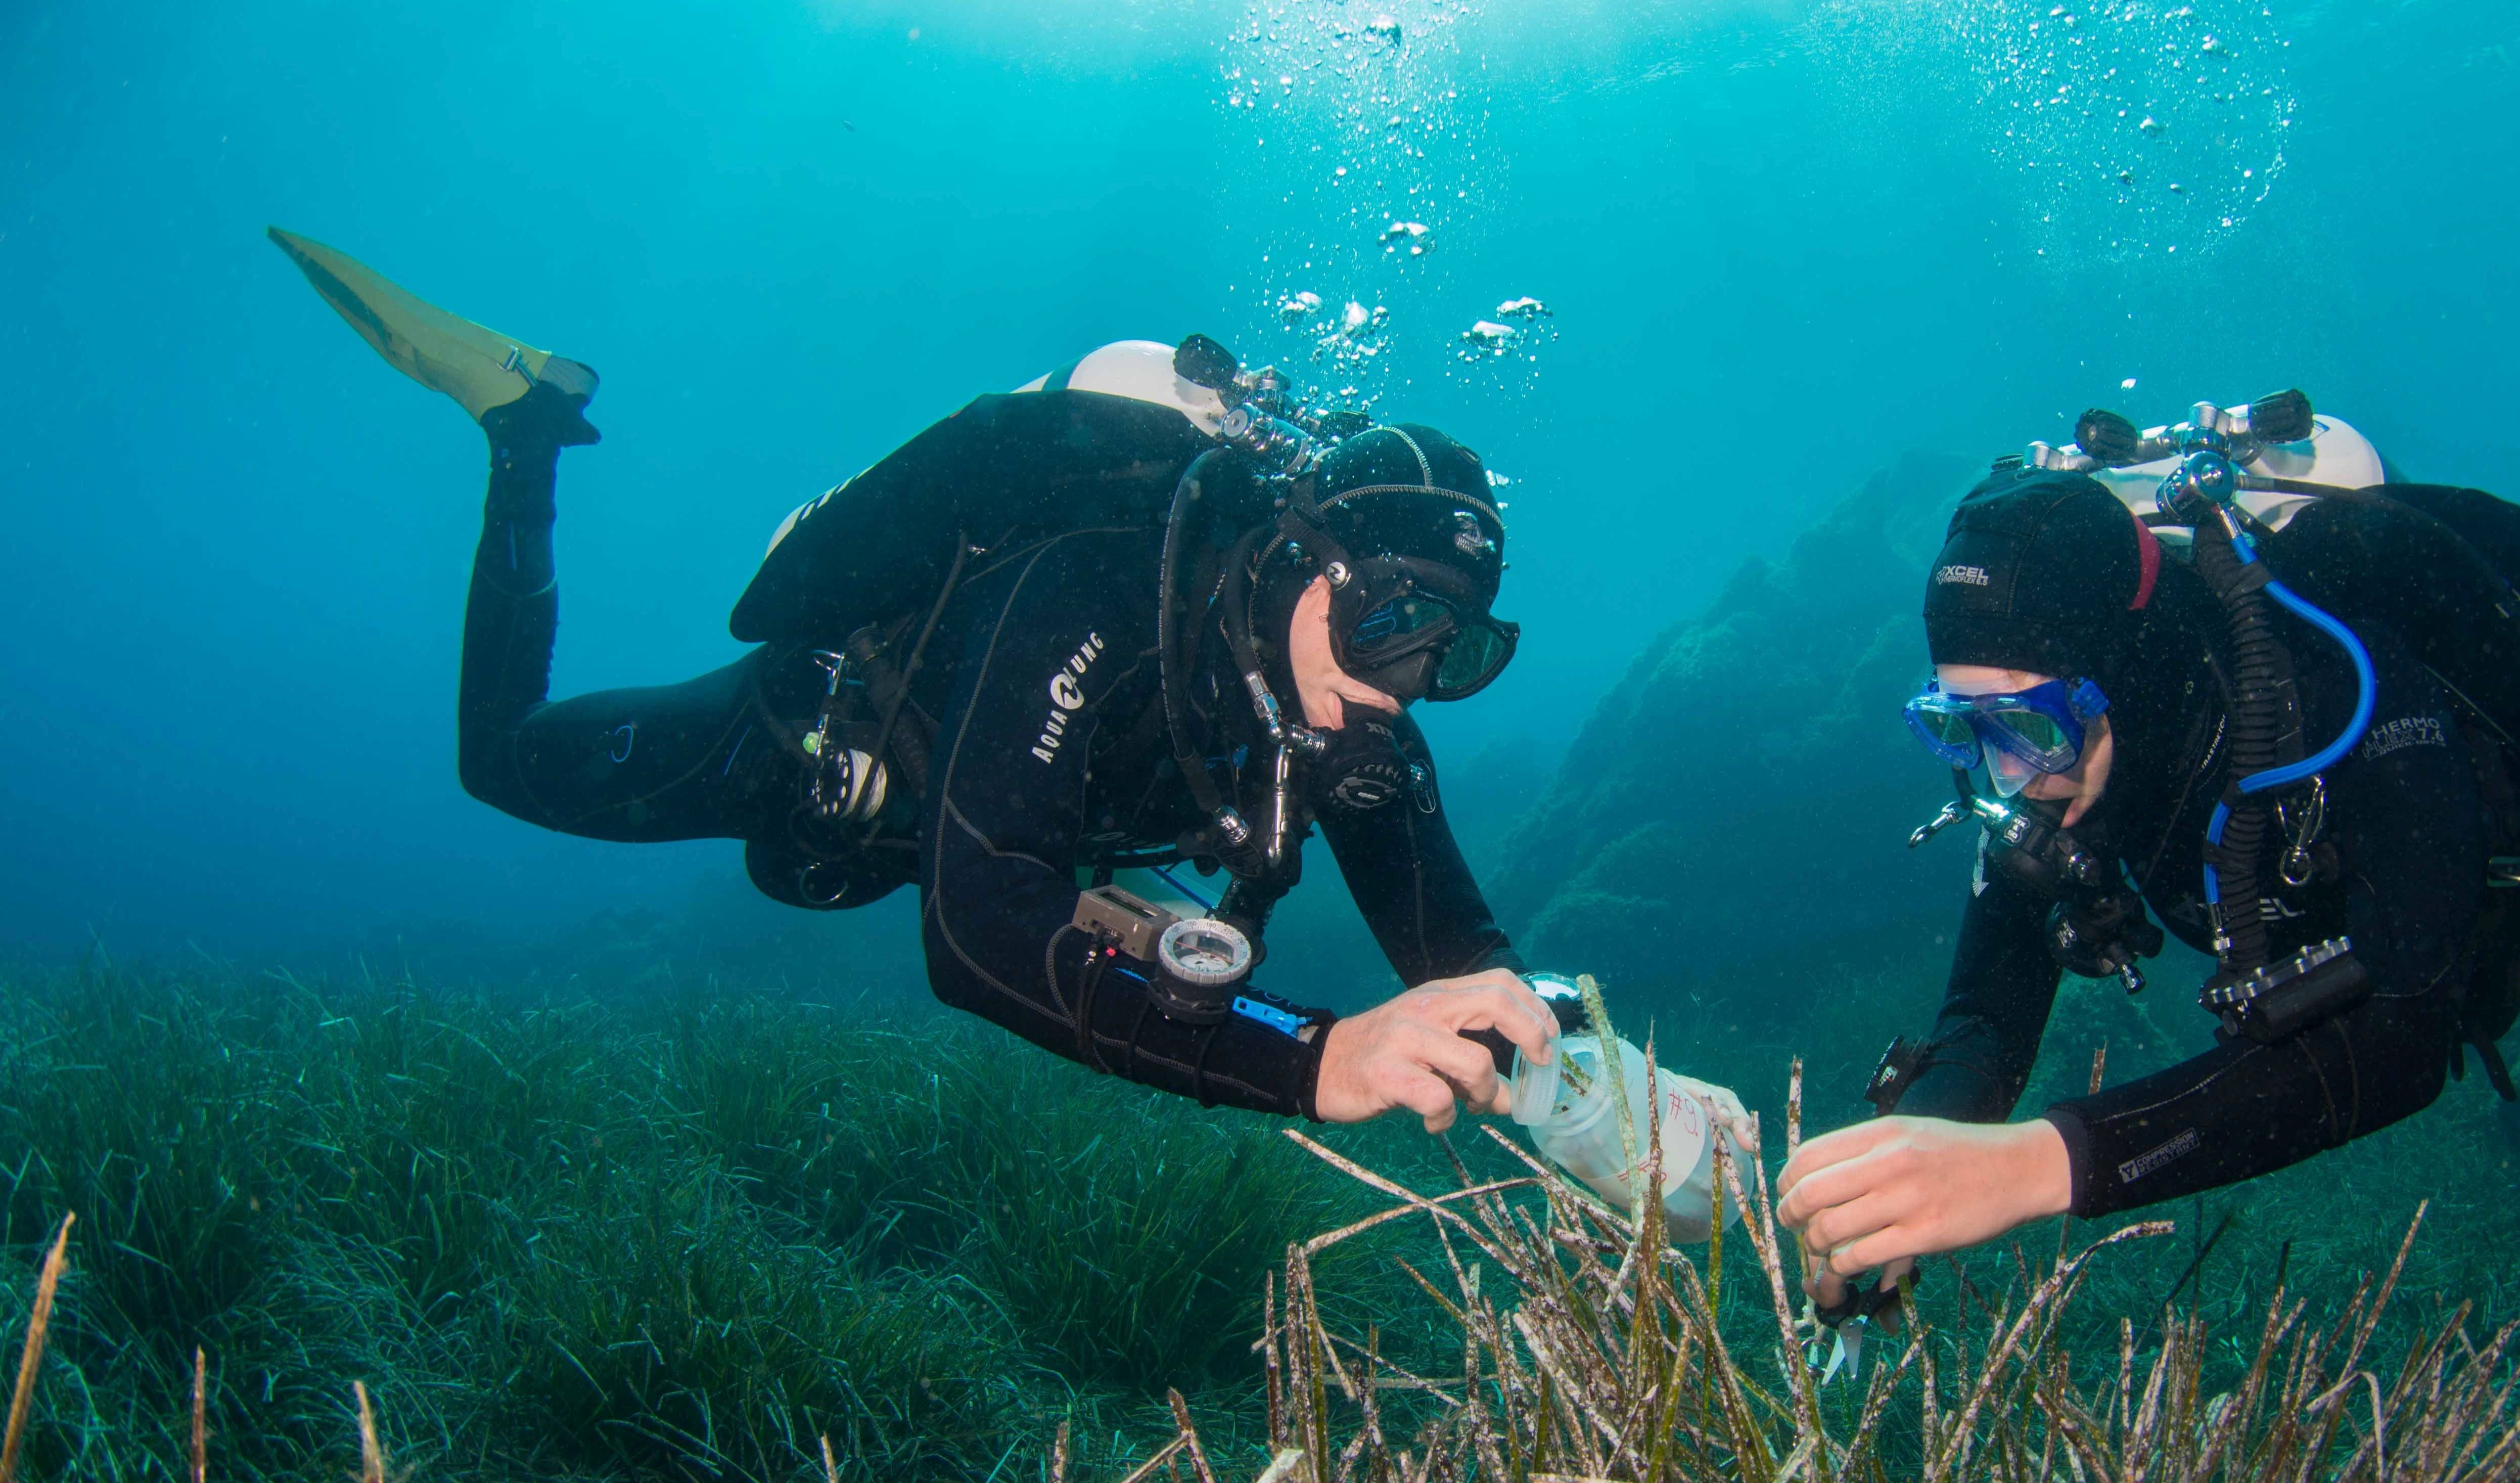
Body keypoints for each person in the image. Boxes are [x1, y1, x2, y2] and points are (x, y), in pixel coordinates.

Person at [270, 227, 1572, 1131]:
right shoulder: (1092, 591)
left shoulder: (1355, 725)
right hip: (808, 756)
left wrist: (1632, 1107)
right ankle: (525, 424)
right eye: (1393, 618)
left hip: (956, 822)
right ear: (1296, 557)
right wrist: (1316, 1053)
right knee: (500, 764)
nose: (1407, 682)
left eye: (1457, 651)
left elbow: (1478, 975)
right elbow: (979, 931)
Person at [1775, 405, 2520, 1304]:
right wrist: (1923, 1140)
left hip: (2494, 893)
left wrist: (2044, 1164)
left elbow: (2406, 1036)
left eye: (2028, 728)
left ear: (2126, 670)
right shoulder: (2057, 769)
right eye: (1960, 729)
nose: (2004, 777)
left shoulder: (2324, 681)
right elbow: (1985, 1012)